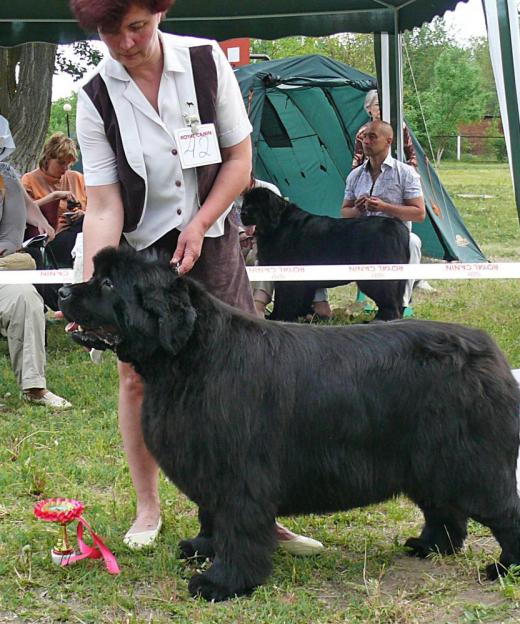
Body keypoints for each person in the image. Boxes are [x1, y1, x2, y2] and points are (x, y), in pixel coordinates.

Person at [69, 0, 322, 555]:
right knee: (137, 380)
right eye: (111, 33)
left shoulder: (206, 63)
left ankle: (255, 511)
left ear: (158, 14)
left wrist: (203, 222)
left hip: (210, 235)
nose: (126, 43)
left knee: (243, 371)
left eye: (136, 27)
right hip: (141, 249)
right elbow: (105, 203)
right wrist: (93, 289)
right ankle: (147, 505)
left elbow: (239, 160)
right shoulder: (94, 97)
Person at [0, 115, 71, 409]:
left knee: (26, 298)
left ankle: (34, 388)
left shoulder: (6, 174)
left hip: (5, 268)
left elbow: (25, 202)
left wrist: (41, 221)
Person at [342, 120, 426, 309]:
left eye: (372, 137)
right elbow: (345, 212)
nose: (366, 141)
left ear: (388, 141)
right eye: (364, 137)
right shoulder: (355, 176)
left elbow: (419, 213)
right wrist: (358, 210)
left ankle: (401, 304)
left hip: (395, 235)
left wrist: (385, 207)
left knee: (413, 243)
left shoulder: (406, 173)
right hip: (362, 234)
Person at [232, 175, 332, 318]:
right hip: (237, 240)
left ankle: (258, 305)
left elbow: (278, 227)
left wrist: (256, 237)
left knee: (262, 258)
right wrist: (241, 234)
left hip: (268, 242)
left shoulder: (269, 191)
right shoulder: (226, 191)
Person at [22, 132, 87, 268]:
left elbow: (96, 208)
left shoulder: (77, 177)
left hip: (80, 229)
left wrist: (82, 213)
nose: (65, 169)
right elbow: (24, 209)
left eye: (68, 164)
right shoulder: (29, 180)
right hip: (53, 237)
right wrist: (54, 196)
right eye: (61, 163)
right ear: (48, 158)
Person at [352, 90, 417, 169]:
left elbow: (411, 155)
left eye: (383, 104)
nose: (381, 108)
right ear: (369, 108)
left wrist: (409, 173)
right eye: (377, 104)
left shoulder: (399, 127)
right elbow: (357, 162)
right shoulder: (363, 132)